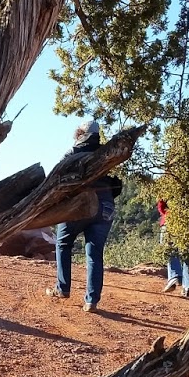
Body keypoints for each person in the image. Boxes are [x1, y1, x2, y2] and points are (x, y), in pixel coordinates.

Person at [45, 119, 123, 313]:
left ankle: (62, 288)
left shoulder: (73, 153)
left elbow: (56, 177)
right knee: (95, 254)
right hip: (105, 204)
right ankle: (91, 301)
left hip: (79, 205)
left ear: (79, 134)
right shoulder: (106, 153)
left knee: (63, 244)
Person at [156, 197, 189, 298]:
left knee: (169, 250)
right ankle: (188, 284)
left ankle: (174, 276)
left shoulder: (168, 183)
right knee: (188, 253)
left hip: (169, 220)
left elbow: (161, 206)